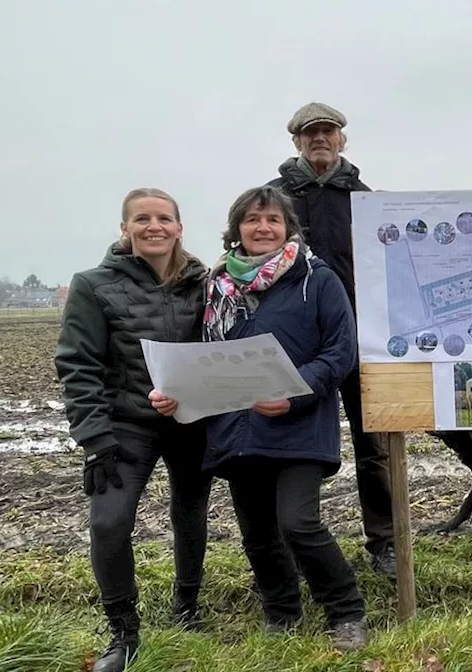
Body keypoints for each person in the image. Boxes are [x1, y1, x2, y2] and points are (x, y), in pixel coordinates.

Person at [151, 185, 370, 650]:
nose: (263, 228)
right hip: (235, 428)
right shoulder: (216, 285)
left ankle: (346, 612)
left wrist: (293, 395)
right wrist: (173, 392)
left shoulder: (316, 278)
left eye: (273, 219)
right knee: (257, 534)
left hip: (299, 424)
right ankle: (281, 613)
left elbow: (340, 352)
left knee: (298, 523)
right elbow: (198, 356)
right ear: (237, 229)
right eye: (253, 220)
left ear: (288, 228)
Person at [54, 188, 211, 672]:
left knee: (190, 513)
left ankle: (187, 605)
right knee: (108, 522)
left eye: (164, 218)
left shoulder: (204, 283)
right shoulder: (93, 285)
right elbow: (78, 365)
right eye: (141, 219)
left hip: (191, 420)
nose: (154, 227)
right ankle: (123, 631)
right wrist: (95, 438)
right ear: (124, 229)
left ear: (180, 227)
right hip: (126, 425)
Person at [267, 101, 396, 575]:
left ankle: (383, 542)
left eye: (328, 131)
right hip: (297, 346)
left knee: (375, 447)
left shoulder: (366, 200)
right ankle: (297, 545)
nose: (319, 139)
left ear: (343, 139)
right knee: (295, 446)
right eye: (310, 133)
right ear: (296, 141)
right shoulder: (272, 200)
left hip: (364, 342)